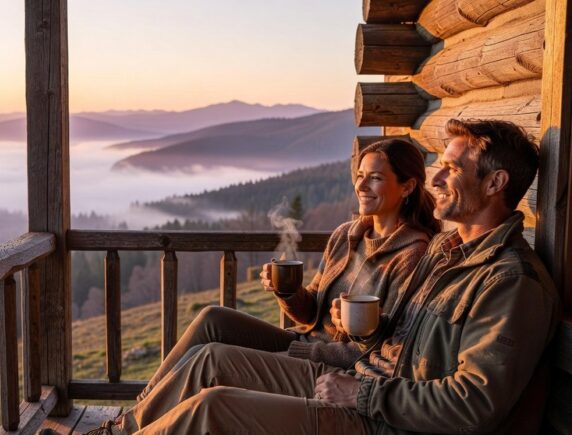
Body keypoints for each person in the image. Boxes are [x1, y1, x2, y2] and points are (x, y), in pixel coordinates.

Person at [94, 119, 559, 435]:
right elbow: (397, 336)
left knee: (212, 406)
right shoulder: (446, 250)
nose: (437, 177)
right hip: (359, 382)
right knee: (209, 358)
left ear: (496, 183)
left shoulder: (510, 283)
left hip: (380, 418)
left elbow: (474, 403)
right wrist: (350, 324)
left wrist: (361, 389)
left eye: (452, 168)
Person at [134, 138, 439, 404]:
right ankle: (141, 407)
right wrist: (288, 292)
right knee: (212, 318)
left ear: (407, 187)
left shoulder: (412, 255)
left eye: (374, 178)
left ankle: (129, 428)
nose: (360, 186)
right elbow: (309, 315)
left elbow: (385, 349)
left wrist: (303, 351)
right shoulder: (346, 235)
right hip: (304, 343)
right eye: (359, 176)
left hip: (336, 365)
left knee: (213, 357)